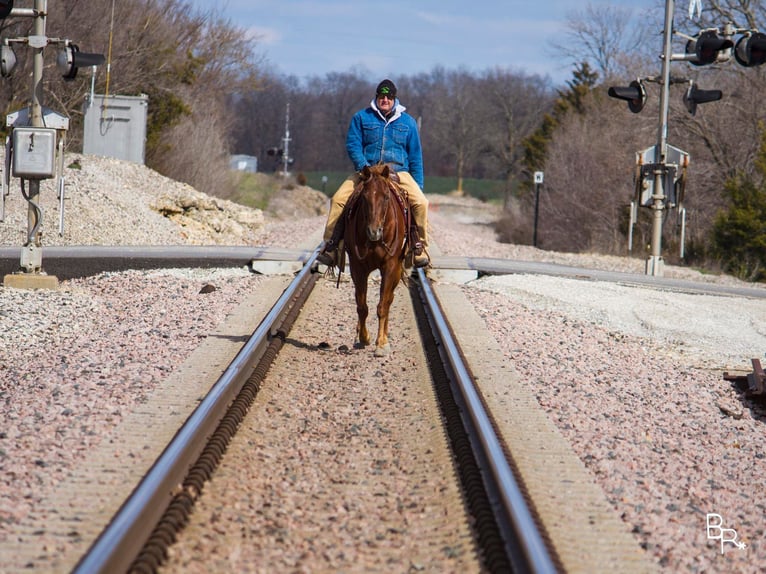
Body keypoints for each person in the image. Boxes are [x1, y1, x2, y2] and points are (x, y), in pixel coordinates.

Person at [317, 79, 429, 268]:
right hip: (366, 171)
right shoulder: (361, 118)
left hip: (398, 171)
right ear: (376, 97)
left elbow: (415, 155)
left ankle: (418, 248)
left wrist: (418, 185)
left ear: (394, 99)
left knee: (421, 203)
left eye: (389, 97)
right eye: (381, 96)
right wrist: (363, 167)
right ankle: (331, 246)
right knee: (338, 199)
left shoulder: (408, 122)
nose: (385, 100)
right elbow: (353, 144)